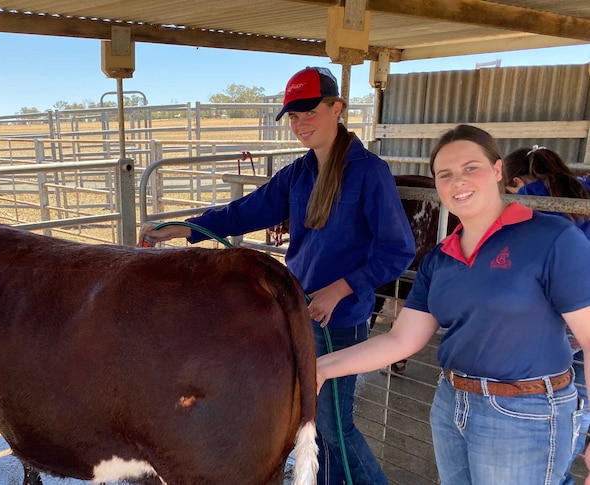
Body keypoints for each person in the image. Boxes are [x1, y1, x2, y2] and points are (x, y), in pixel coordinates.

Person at [140, 67, 416, 484]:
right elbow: (244, 212)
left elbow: (398, 250)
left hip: (339, 321)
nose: (301, 124)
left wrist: (340, 289)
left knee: (334, 427)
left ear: (336, 108)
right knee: (311, 423)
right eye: (293, 116)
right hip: (298, 313)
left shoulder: (367, 172)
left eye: (309, 112)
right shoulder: (298, 174)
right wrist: (185, 228)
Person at [317, 124, 590, 485]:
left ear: (497, 172)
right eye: (445, 174)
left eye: (470, 168)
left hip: (526, 412)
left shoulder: (551, 238)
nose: (457, 182)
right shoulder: (439, 259)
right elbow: (400, 341)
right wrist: (318, 367)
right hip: (452, 405)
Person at [504, 144, 590, 483]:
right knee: (580, 401)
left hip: (556, 324)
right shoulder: (580, 189)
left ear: (515, 181)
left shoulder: (528, 202)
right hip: (583, 321)